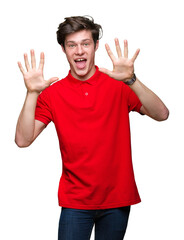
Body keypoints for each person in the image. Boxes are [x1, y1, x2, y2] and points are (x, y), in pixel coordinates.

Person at [15, 16, 169, 240]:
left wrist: (132, 80)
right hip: (75, 200)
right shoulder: (52, 94)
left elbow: (162, 114)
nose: (79, 51)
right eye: (72, 45)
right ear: (63, 49)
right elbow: (22, 140)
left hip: (117, 198)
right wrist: (31, 94)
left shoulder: (119, 86)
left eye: (85, 43)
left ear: (95, 46)